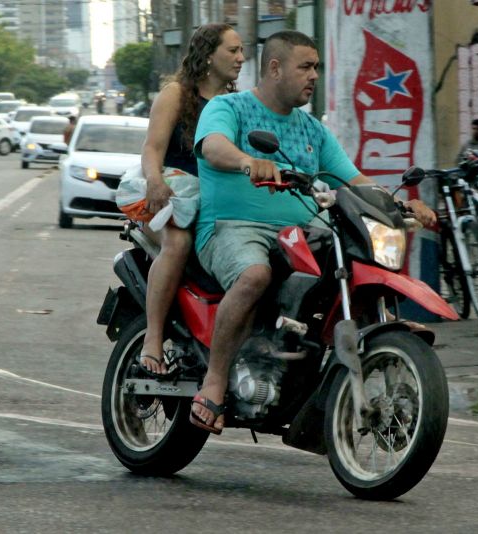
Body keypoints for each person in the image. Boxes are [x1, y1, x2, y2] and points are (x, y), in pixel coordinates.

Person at [189, 30, 436, 433]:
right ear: (275, 68)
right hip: (232, 227)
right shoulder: (228, 107)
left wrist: (401, 203)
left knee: (347, 263)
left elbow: (355, 180)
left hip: (301, 229)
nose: (314, 75)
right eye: (306, 66)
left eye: (316, 67)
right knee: (254, 275)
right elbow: (213, 146)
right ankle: (213, 384)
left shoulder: (313, 131)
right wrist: (248, 162)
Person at [137, 23, 245, 377]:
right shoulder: (176, 94)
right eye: (232, 50)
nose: (241, 58)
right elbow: (152, 148)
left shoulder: (237, 104)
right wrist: (154, 181)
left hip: (216, 206)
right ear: (208, 54)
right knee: (179, 242)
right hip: (171, 199)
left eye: (242, 50)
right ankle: (152, 337)